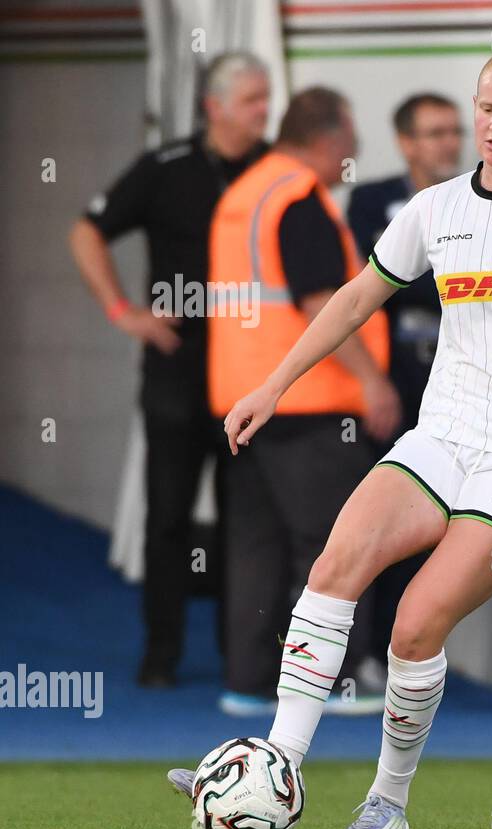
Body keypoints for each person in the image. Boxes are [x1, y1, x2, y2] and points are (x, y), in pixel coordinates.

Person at [170, 45, 492, 829]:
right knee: (333, 568)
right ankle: (275, 765)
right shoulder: (434, 209)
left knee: (415, 624)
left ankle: (387, 802)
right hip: (445, 433)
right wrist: (272, 386)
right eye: (486, 108)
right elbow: (356, 300)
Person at [68, 52, 271, 688]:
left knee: (248, 518)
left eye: (268, 99)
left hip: (249, 374)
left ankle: (241, 653)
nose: (265, 111)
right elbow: (87, 231)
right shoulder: (165, 168)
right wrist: (123, 312)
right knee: (167, 516)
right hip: (177, 370)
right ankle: (161, 652)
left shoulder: (275, 172)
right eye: (252, 101)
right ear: (215, 107)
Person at [206, 87, 398, 717]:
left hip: (242, 401)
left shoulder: (244, 194)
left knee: (255, 546)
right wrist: (372, 381)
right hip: (309, 401)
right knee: (332, 543)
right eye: (350, 143)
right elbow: (321, 302)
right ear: (328, 141)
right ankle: (338, 679)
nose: (353, 155)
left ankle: (249, 681)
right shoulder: (299, 199)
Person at [348, 93, 465, 691]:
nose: (449, 143)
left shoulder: (477, 196)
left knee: (440, 525)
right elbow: (377, 284)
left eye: (453, 131)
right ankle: (363, 652)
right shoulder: (373, 200)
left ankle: (411, 656)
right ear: (406, 142)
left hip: (457, 385)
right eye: (434, 133)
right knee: (379, 522)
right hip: (393, 385)